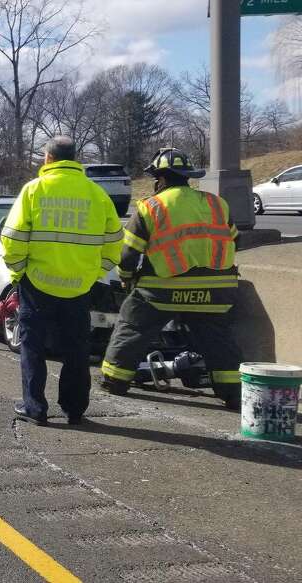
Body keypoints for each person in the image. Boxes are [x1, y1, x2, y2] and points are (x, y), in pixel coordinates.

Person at [100, 148, 243, 409]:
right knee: (219, 339)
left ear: (161, 180)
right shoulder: (216, 204)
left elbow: (129, 252)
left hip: (163, 290)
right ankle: (233, 392)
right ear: (187, 177)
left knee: (132, 326)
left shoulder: (150, 207)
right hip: (216, 291)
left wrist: (127, 278)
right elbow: (236, 240)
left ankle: (115, 379)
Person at [1, 136, 123, 426]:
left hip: (38, 284)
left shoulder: (34, 190)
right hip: (79, 287)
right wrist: (95, 273)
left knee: (32, 347)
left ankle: (35, 408)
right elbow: (116, 241)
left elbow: (12, 238)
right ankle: (74, 409)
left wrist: (19, 273)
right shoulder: (96, 194)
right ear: (74, 159)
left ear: (48, 158)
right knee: (77, 349)